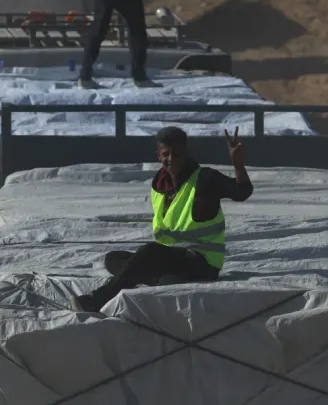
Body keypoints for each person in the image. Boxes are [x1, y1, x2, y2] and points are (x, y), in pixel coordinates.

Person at [70, 126, 251, 312]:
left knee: (148, 253)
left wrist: (237, 164)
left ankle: (98, 299)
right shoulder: (159, 185)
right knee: (113, 259)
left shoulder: (206, 179)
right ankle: (155, 279)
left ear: (187, 153)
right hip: (170, 259)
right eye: (166, 154)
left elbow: (242, 192)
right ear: (158, 155)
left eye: (177, 153)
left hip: (202, 263)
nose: (171, 159)